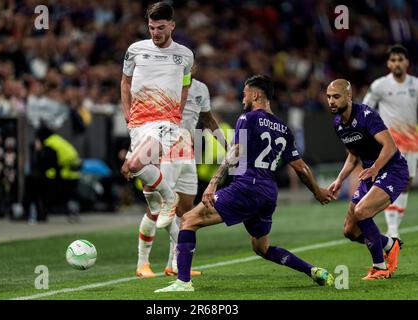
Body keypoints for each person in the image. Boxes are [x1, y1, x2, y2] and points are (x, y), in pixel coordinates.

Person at [155, 75, 335, 292]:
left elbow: (236, 151)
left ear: (256, 94)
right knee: (262, 247)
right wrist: (317, 192)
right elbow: (301, 167)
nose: (243, 98)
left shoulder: (247, 118)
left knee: (188, 220)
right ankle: (313, 271)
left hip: (247, 186)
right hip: (269, 192)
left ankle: (183, 282)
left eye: (245, 93)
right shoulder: (283, 128)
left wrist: (213, 183)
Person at [123, 76, 227, 277]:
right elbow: (144, 124)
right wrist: (131, 153)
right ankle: (142, 264)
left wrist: (227, 146)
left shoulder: (200, 88)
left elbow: (208, 120)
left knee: (185, 210)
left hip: (188, 154)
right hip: (164, 152)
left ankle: (175, 264)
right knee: (157, 208)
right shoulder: (162, 84)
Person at [120, 2, 194, 229]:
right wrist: (127, 114)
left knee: (134, 163)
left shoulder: (185, 55)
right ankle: (160, 261)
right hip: (139, 124)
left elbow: (185, 86)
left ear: (172, 25)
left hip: (165, 122)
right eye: (152, 28)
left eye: (161, 28)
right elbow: (125, 82)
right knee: (150, 197)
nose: (155, 33)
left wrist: (177, 115)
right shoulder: (135, 50)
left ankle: (170, 198)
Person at [327, 79, 409, 280]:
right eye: (328, 97)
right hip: (371, 172)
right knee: (350, 231)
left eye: (336, 96)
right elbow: (353, 155)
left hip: (392, 169)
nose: (331, 101)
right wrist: (339, 180)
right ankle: (390, 245)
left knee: (362, 211)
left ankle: (380, 268)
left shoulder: (366, 116)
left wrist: (374, 168)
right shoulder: (338, 124)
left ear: (349, 97)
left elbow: (389, 146)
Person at [362, 44, 418, 239]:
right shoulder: (380, 85)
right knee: (391, 181)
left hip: (411, 142)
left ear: (407, 62)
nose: (397, 64)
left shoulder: (416, 85)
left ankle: (394, 227)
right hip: (389, 143)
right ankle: (392, 228)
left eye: (400, 60)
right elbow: (365, 110)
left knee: (406, 183)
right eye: (393, 60)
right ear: (388, 63)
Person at [22, 124, 81, 222]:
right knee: (35, 178)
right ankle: (39, 212)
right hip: (72, 177)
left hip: (63, 178)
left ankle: (30, 212)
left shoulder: (50, 145)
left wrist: (36, 151)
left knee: (31, 179)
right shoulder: (58, 140)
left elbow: (44, 166)